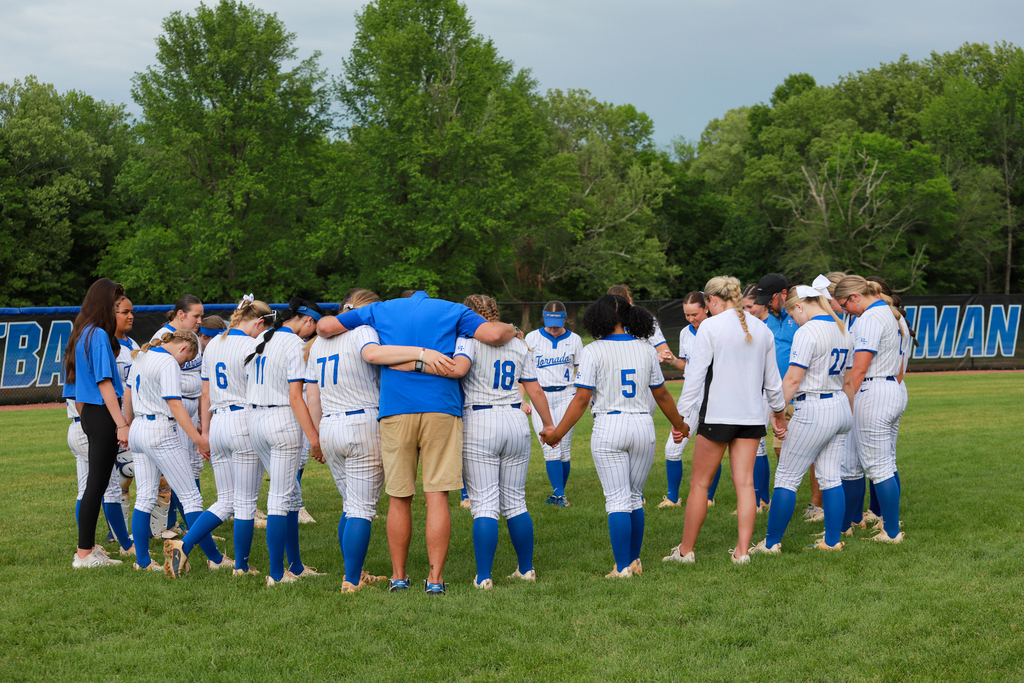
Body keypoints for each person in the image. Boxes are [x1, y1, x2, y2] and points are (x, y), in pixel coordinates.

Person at [316, 289, 518, 595]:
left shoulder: (379, 311)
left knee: (399, 496)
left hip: (395, 409)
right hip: (442, 407)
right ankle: (435, 580)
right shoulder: (452, 310)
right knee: (437, 495)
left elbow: (326, 327)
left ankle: (399, 576)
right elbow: (493, 334)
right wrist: (512, 329)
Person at [305, 289, 453, 592]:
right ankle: (351, 579)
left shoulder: (319, 341)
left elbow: (312, 392)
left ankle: (354, 572)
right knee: (361, 508)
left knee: (350, 505)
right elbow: (376, 356)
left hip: (330, 422)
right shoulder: (365, 331)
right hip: (361, 421)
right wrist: (421, 353)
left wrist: (317, 434)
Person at [543, 294, 687, 578]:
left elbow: (582, 399)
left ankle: (622, 568)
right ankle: (634, 561)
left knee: (617, 500)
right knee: (634, 498)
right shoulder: (646, 349)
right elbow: (662, 395)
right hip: (643, 426)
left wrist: (557, 432)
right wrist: (680, 424)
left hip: (610, 425)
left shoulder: (593, 350)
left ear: (599, 317)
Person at [663, 276, 787, 566]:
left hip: (717, 416)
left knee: (699, 485)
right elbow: (773, 383)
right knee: (745, 485)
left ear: (711, 301)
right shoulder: (762, 329)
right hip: (752, 418)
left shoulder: (710, 327)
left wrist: (679, 421)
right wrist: (779, 415)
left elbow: (693, 380)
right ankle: (742, 552)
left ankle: (685, 551)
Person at [442, 294, 555, 589]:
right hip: (515, 418)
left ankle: (484, 576)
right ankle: (526, 569)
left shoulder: (466, 340)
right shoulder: (519, 343)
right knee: (516, 501)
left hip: (480, 420)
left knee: (484, 505)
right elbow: (535, 390)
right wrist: (549, 424)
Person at [750, 284, 853, 553]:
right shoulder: (841, 326)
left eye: (794, 315)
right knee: (831, 477)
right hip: (839, 404)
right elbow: (849, 379)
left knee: (786, 478)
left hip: (815, 407)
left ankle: (771, 543)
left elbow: (793, 378)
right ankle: (832, 541)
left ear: (799, 305)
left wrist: (776, 411)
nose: (795, 321)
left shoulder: (808, 331)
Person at [178, 296, 270, 577]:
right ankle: (240, 567)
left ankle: (183, 545)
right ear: (259, 322)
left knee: (226, 500)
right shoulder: (254, 344)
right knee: (244, 503)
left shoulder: (214, 342)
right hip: (244, 419)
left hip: (217, 422)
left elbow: (205, 393)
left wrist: (204, 433)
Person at [123, 329, 225, 573]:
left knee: (145, 496)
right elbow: (175, 403)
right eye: (187, 359)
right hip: (159, 429)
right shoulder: (168, 361)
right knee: (191, 497)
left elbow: (127, 396)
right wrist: (199, 439)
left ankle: (143, 562)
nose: (185, 363)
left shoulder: (141, 355)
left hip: (138, 426)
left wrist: (127, 427)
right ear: (183, 348)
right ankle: (216, 560)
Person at [63, 279, 131, 568]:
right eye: (115, 301)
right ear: (104, 302)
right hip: (102, 413)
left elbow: (77, 389)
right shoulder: (99, 335)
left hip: (90, 413)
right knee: (97, 485)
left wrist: (91, 417)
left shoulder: (83, 333)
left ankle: (88, 549)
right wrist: (121, 423)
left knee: (97, 484)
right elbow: (104, 383)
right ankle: (84, 554)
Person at [835, 276, 908, 543]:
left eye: (844, 305)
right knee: (880, 464)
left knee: (879, 468)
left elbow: (860, 366)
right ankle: (870, 524)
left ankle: (890, 531)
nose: (845, 311)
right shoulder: (888, 312)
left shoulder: (870, 317)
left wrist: (845, 400)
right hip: (888, 388)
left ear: (855, 297)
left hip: (873, 390)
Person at [658, 291, 720, 509]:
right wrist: (672, 360)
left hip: (715, 399)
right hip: (692, 398)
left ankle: (709, 497)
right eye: (687, 315)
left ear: (706, 308)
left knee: (712, 451)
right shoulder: (685, 333)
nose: (691, 319)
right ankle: (673, 498)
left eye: (695, 314)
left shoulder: (718, 328)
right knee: (672, 449)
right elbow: (686, 365)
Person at [863, 276, 915, 528]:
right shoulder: (896, 318)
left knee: (881, 460)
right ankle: (881, 512)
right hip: (895, 386)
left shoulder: (882, 318)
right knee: (886, 458)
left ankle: (880, 513)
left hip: (884, 384)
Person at [152, 295, 205, 536]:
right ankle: (177, 524)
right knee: (180, 469)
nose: (199, 320)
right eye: (196, 315)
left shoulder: (192, 337)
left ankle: (192, 524)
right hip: (176, 409)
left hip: (194, 405)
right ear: (181, 314)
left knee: (193, 468)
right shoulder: (161, 338)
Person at [522, 300, 583, 507]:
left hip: (567, 395)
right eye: (550, 321)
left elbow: (580, 372)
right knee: (549, 446)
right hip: (541, 397)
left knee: (564, 450)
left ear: (565, 319)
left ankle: (559, 494)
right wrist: (522, 399)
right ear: (543, 318)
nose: (554, 326)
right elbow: (524, 373)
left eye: (558, 321)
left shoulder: (575, 339)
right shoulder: (532, 337)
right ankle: (559, 494)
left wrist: (587, 398)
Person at [740, 283, 774, 513]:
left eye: (751, 306)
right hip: (753, 389)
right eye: (744, 307)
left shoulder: (768, 327)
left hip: (766, 390)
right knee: (758, 446)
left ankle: (759, 500)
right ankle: (762, 499)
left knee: (758, 445)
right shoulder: (751, 325)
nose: (748, 311)